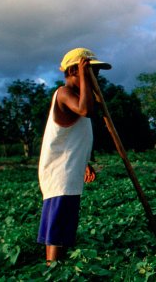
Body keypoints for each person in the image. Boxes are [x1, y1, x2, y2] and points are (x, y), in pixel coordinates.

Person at [37, 48, 111, 265]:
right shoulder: (64, 94)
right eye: (89, 72)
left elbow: (76, 137)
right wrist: (84, 76)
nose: (94, 78)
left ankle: (57, 265)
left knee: (64, 221)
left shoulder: (78, 97)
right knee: (58, 226)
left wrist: (85, 162)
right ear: (72, 71)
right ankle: (53, 268)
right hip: (59, 172)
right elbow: (86, 109)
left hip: (70, 169)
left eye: (95, 74)